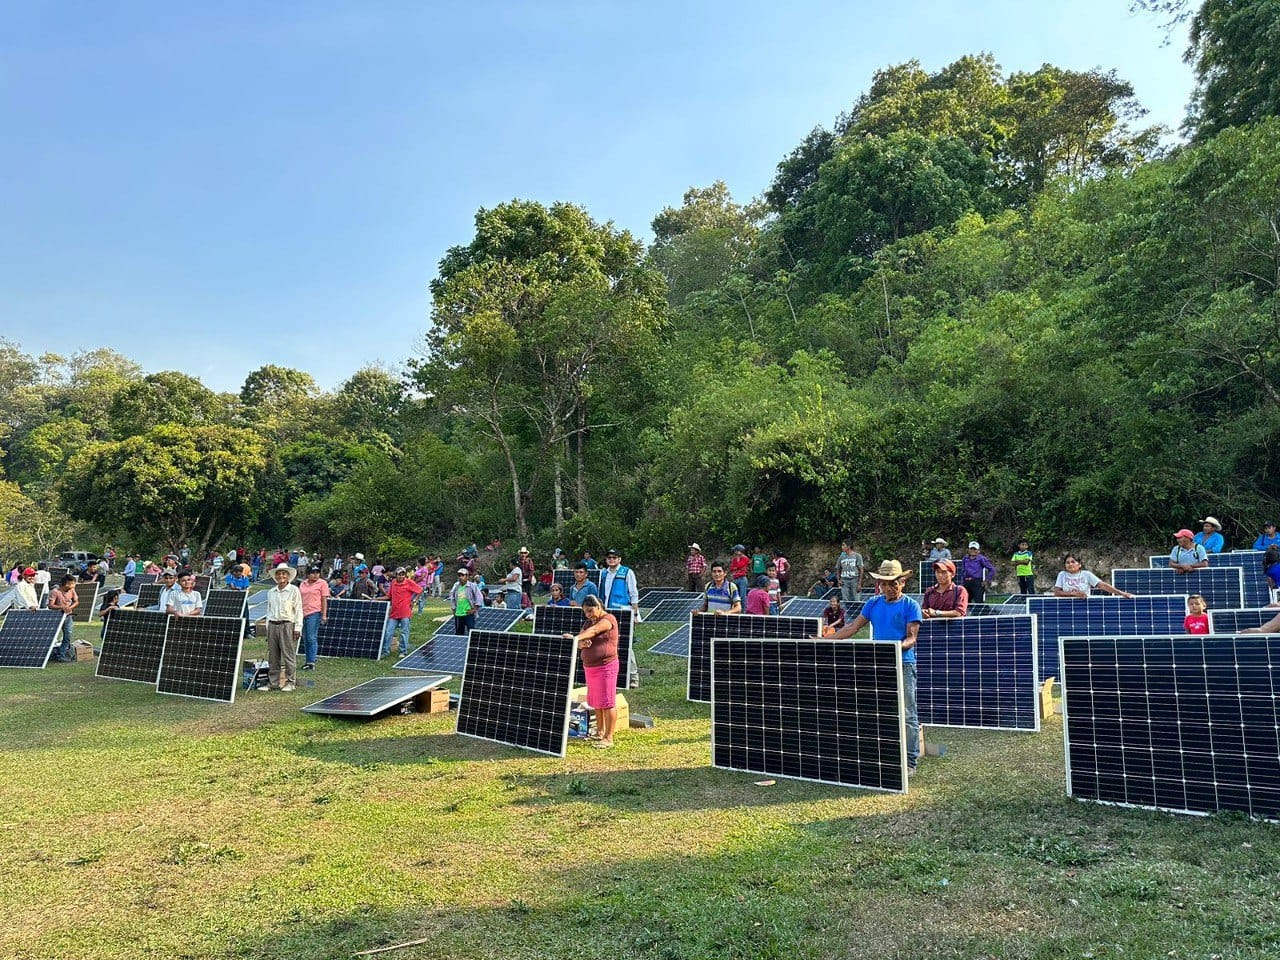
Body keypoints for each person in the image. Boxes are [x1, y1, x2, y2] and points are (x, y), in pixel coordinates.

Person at [827, 559, 922, 775]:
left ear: (903, 582)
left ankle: (910, 761)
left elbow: (911, 638)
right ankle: (885, 754)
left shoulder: (910, 605)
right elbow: (852, 627)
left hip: (903, 665)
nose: (887, 588)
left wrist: (894, 649)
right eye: (883, 583)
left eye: (892, 583)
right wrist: (825, 640)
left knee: (907, 714)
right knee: (880, 711)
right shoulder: (873, 603)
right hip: (878, 666)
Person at [564, 595, 620, 749]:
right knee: (597, 701)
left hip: (605, 666)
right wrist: (581, 643)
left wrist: (575, 638)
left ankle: (609, 737)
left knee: (607, 702)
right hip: (590, 667)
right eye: (585, 612)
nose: (588, 615)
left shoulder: (608, 619)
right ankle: (600, 732)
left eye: (590, 611)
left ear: (598, 606)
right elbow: (582, 641)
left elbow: (595, 631)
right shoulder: (588, 622)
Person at [601, 548, 640, 687]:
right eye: (609, 557)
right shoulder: (604, 573)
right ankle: (614, 675)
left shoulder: (627, 572)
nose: (611, 559)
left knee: (625, 644)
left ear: (619, 559)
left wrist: (635, 614)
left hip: (623, 613)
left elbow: (634, 593)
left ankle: (633, 677)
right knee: (608, 644)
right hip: (607, 613)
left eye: (614, 557)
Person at [263, 562, 303, 692]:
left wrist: (297, 628)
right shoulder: (271, 592)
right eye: (279, 574)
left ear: (288, 576)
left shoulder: (293, 590)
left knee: (288, 655)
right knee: (273, 656)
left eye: (283, 574)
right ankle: (273, 683)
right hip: (273, 625)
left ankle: (290, 682)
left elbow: (298, 610)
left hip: (287, 625)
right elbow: (269, 611)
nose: (281, 576)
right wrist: (268, 629)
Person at [382, 567, 422, 659]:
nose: (401, 576)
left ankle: (403, 651)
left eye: (403, 574)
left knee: (404, 632)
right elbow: (389, 596)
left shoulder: (409, 582)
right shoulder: (393, 583)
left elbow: (420, 590)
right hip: (394, 613)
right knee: (388, 632)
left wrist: (414, 600)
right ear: (396, 575)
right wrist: (376, 599)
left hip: (405, 612)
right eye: (399, 574)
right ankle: (385, 651)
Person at [1052, 554, 1135, 598]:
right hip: (1065, 608)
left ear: (1079, 564)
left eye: (1073, 562)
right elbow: (1056, 592)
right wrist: (1074, 594)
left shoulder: (1086, 574)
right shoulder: (1062, 575)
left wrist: (1121, 593)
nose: (1070, 564)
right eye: (1068, 562)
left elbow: (1103, 585)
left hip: (1084, 606)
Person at [298, 565, 331, 670]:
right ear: (308, 574)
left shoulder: (322, 583)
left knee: (311, 637)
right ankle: (308, 660)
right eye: (313, 572)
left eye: (317, 572)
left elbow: (324, 599)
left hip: (314, 612)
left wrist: (324, 614)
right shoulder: (303, 584)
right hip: (302, 612)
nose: (315, 574)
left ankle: (311, 662)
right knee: (305, 638)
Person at [47, 575, 78, 662]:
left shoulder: (72, 590)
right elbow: (50, 605)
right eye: (73, 584)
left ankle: (62, 654)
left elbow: (76, 601)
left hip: (68, 616)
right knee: (52, 636)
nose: (74, 586)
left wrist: (70, 608)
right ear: (67, 584)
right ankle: (49, 654)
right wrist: (62, 607)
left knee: (67, 635)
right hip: (57, 617)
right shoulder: (55, 592)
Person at [449, 568, 485, 635]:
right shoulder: (456, 586)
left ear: (467, 576)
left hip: (468, 613)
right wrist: (453, 608)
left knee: (471, 632)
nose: (460, 577)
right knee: (459, 634)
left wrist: (474, 609)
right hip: (458, 614)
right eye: (459, 576)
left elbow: (479, 597)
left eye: (463, 575)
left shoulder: (472, 586)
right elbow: (452, 597)